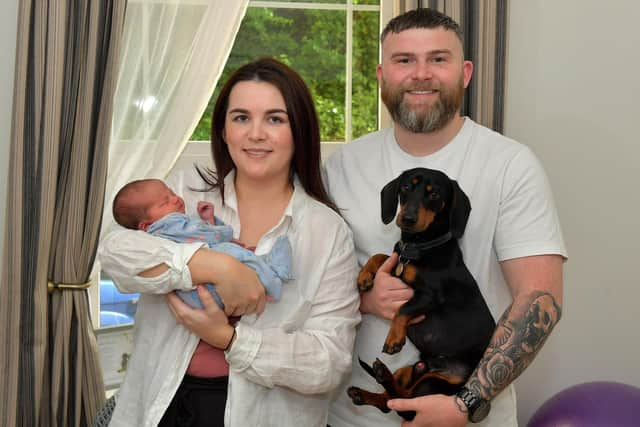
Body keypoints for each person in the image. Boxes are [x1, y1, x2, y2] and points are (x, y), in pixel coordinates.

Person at [325, 8, 566, 427]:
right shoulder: (342, 165)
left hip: (469, 415)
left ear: (465, 72)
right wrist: (363, 298)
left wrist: (465, 404)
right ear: (382, 74)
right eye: (404, 60)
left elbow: (540, 298)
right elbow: (311, 285)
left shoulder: (510, 164)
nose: (421, 74)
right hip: (352, 418)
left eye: (438, 59)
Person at [99, 58, 361, 427]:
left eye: (275, 119)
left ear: (299, 130)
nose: (256, 133)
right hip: (160, 403)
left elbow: (328, 362)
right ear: (223, 130)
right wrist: (217, 267)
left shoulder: (326, 231)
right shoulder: (182, 193)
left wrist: (229, 340)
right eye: (241, 118)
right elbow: (115, 253)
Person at [111, 178, 293, 308]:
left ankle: (265, 270)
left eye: (171, 193)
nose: (175, 199)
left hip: (197, 296)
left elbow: (197, 237)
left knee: (237, 254)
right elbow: (208, 237)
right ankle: (272, 282)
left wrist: (209, 220)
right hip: (208, 287)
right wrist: (224, 231)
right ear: (146, 224)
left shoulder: (165, 229)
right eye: (165, 202)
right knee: (237, 253)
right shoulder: (169, 224)